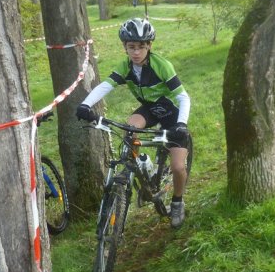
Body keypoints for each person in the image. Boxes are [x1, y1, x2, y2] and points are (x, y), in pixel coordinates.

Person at [76, 18, 191, 229]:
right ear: (125, 48)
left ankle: (177, 202)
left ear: (149, 46)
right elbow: (105, 86)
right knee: (130, 128)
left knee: (177, 166)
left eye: (140, 47)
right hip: (149, 109)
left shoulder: (162, 65)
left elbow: (184, 97)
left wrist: (181, 124)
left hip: (172, 114)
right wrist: (85, 105)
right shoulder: (126, 67)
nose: (136, 52)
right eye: (131, 47)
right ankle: (141, 169)